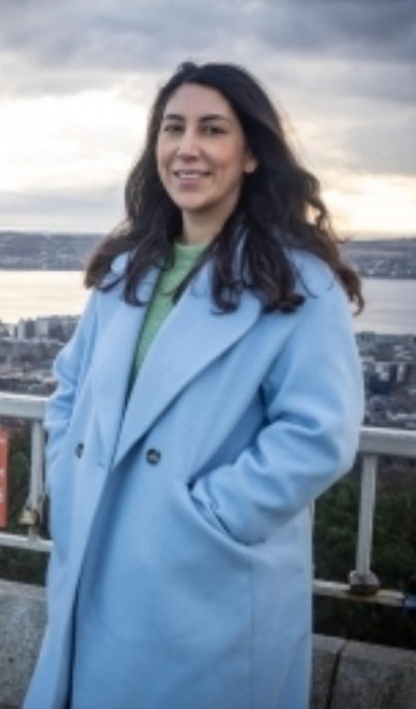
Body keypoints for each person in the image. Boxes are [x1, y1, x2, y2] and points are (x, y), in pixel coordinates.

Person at [24, 62, 365, 708]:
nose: (188, 149)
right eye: (172, 128)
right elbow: (71, 386)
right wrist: (69, 482)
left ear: (252, 155)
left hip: (206, 580)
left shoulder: (300, 283)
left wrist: (206, 518)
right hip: (97, 548)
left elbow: (318, 435)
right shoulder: (125, 269)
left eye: (213, 130)